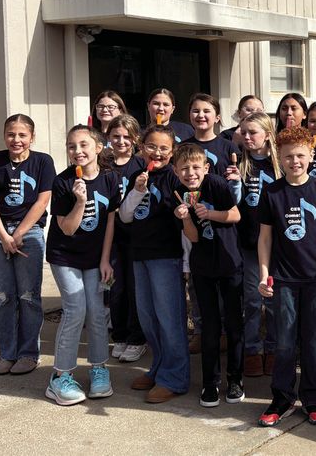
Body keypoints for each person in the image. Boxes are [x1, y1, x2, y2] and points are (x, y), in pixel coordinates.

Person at [257, 126, 316, 427]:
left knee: (313, 341)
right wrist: (265, 274)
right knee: (284, 341)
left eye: (300, 155)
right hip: (283, 279)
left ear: (311, 156)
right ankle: (282, 399)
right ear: (279, 158)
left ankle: (313, 399)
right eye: (288, 156)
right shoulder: (272, 193)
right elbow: (265, 239)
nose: (295, 161)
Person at [0, 114, 55, 376]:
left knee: (28, 296)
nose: (16, 139)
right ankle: (7, 353)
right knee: (4, 297)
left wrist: (19, 233)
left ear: (32, 137)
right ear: (4, 135)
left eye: (22, 135)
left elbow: (42, 201)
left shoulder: (43, 161)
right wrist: (4, 236)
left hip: (29, 234)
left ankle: (29, 354)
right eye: (11, 134)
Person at [44, 125, 120, 405]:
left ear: (98, 147)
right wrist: (79, 201)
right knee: (76, 309)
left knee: (97, 312)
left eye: (84, 145)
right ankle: (59, 377)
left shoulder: (111, 180)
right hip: (65, 256)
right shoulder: (63, 182)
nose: (78, 151)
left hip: (94, 257)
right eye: (72, 146)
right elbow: (66, 228)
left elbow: (111, 220)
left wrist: (105, 260)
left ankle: (99, 369)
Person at [118, 124, 189, 403]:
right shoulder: (138, 175)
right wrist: (136, 191)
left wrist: (185, 263)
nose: (156, 153)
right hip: (140, 255)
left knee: (169, 319)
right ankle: (159, 368)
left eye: (163, 148)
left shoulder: (174, 179)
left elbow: (184, 221)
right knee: (149, 318)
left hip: (166, 256)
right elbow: (124, 216)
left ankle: (175, 377)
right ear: (141, 147)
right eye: (151, 146)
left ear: (172, 153)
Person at [170, 142, 243, 407]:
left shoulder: (216, 185)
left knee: (234, 324)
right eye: (184, 169)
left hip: (230, 263)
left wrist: (209, 213)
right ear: (176, 172)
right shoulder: (177, 192)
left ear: (206, 167)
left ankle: (235, 379)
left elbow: (235, 215)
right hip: (203, 268)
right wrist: (185, 218)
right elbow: (193, 237)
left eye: (195, 167)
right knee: (209, 327)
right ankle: (210, 383)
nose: (190, 173)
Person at [234, 112, 282, 378]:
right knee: (252, 300)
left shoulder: (279, 166)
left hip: (278, 244)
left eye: (253, 132)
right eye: (243, 132)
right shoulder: (239, 164)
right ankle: (253, 349)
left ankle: (274, 348)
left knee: (274, 301)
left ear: (267, 134)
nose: (247, 137)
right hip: (249, 242)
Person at [105, 114, 148, 363]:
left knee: (134, 288)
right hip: (111, 237)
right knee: (115, 289)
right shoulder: (104, 165)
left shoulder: (140, 166)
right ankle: (119, 335)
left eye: (126, 137)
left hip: (135, 237)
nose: (121, 141)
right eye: (116, 136)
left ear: (135, 139)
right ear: (108, 138)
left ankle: (136, 338)